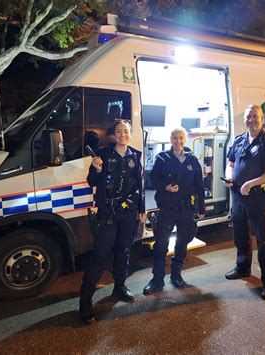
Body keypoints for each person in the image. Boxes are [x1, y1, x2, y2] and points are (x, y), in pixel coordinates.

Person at [79, 120, 144, 324]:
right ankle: (85, 301)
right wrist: (96, 170)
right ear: (113, 135)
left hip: (128, 213)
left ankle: (119, 287)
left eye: (125, 131)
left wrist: (141, 209)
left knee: (123, 251)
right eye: (118, 132)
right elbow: (92, 182)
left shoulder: (135, 155)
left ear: (130, 134)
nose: (122, 135)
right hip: (108, 213)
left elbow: (139, 185)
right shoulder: (103, 154)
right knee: (99, 256)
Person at [223, 104, 265, 300]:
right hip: (238, 196)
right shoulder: (240, 139)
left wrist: (251, 183)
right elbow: (230, 163)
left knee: (263, 241)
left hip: (259, 198)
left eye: (255, 117)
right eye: (248, 117)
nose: (251, 120)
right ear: (245, 119)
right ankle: (243, 268)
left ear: (262, 119)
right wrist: (229, 177)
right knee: (240, 236)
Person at [143, 128, 205, 295]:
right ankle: (157, 280)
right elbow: (152, 178)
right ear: (171, 139)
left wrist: (201, 208)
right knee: (161, 245)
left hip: (186, 209)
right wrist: (165, 186)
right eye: (175, 138)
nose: (178, 141)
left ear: (185, 140)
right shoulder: (162, 158)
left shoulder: (192, 159)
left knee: (182, 242)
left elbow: (199, 185)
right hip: (167, 208)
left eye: (181, 138)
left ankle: (176, 275)